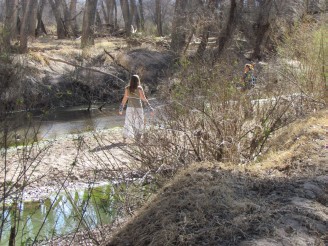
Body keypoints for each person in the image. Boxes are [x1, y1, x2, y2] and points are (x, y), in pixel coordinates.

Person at [119, 74, 153, 142]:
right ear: (138, 81)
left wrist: (121, 109)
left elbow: (124, 99)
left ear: (131, 81)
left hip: (129, 108)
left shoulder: (127, 88)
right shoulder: (139, 88)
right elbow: (143, 99)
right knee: (139, 122)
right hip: (138, 108)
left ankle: (124, 138)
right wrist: (150, 108)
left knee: (127, 122)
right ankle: (138, 137)